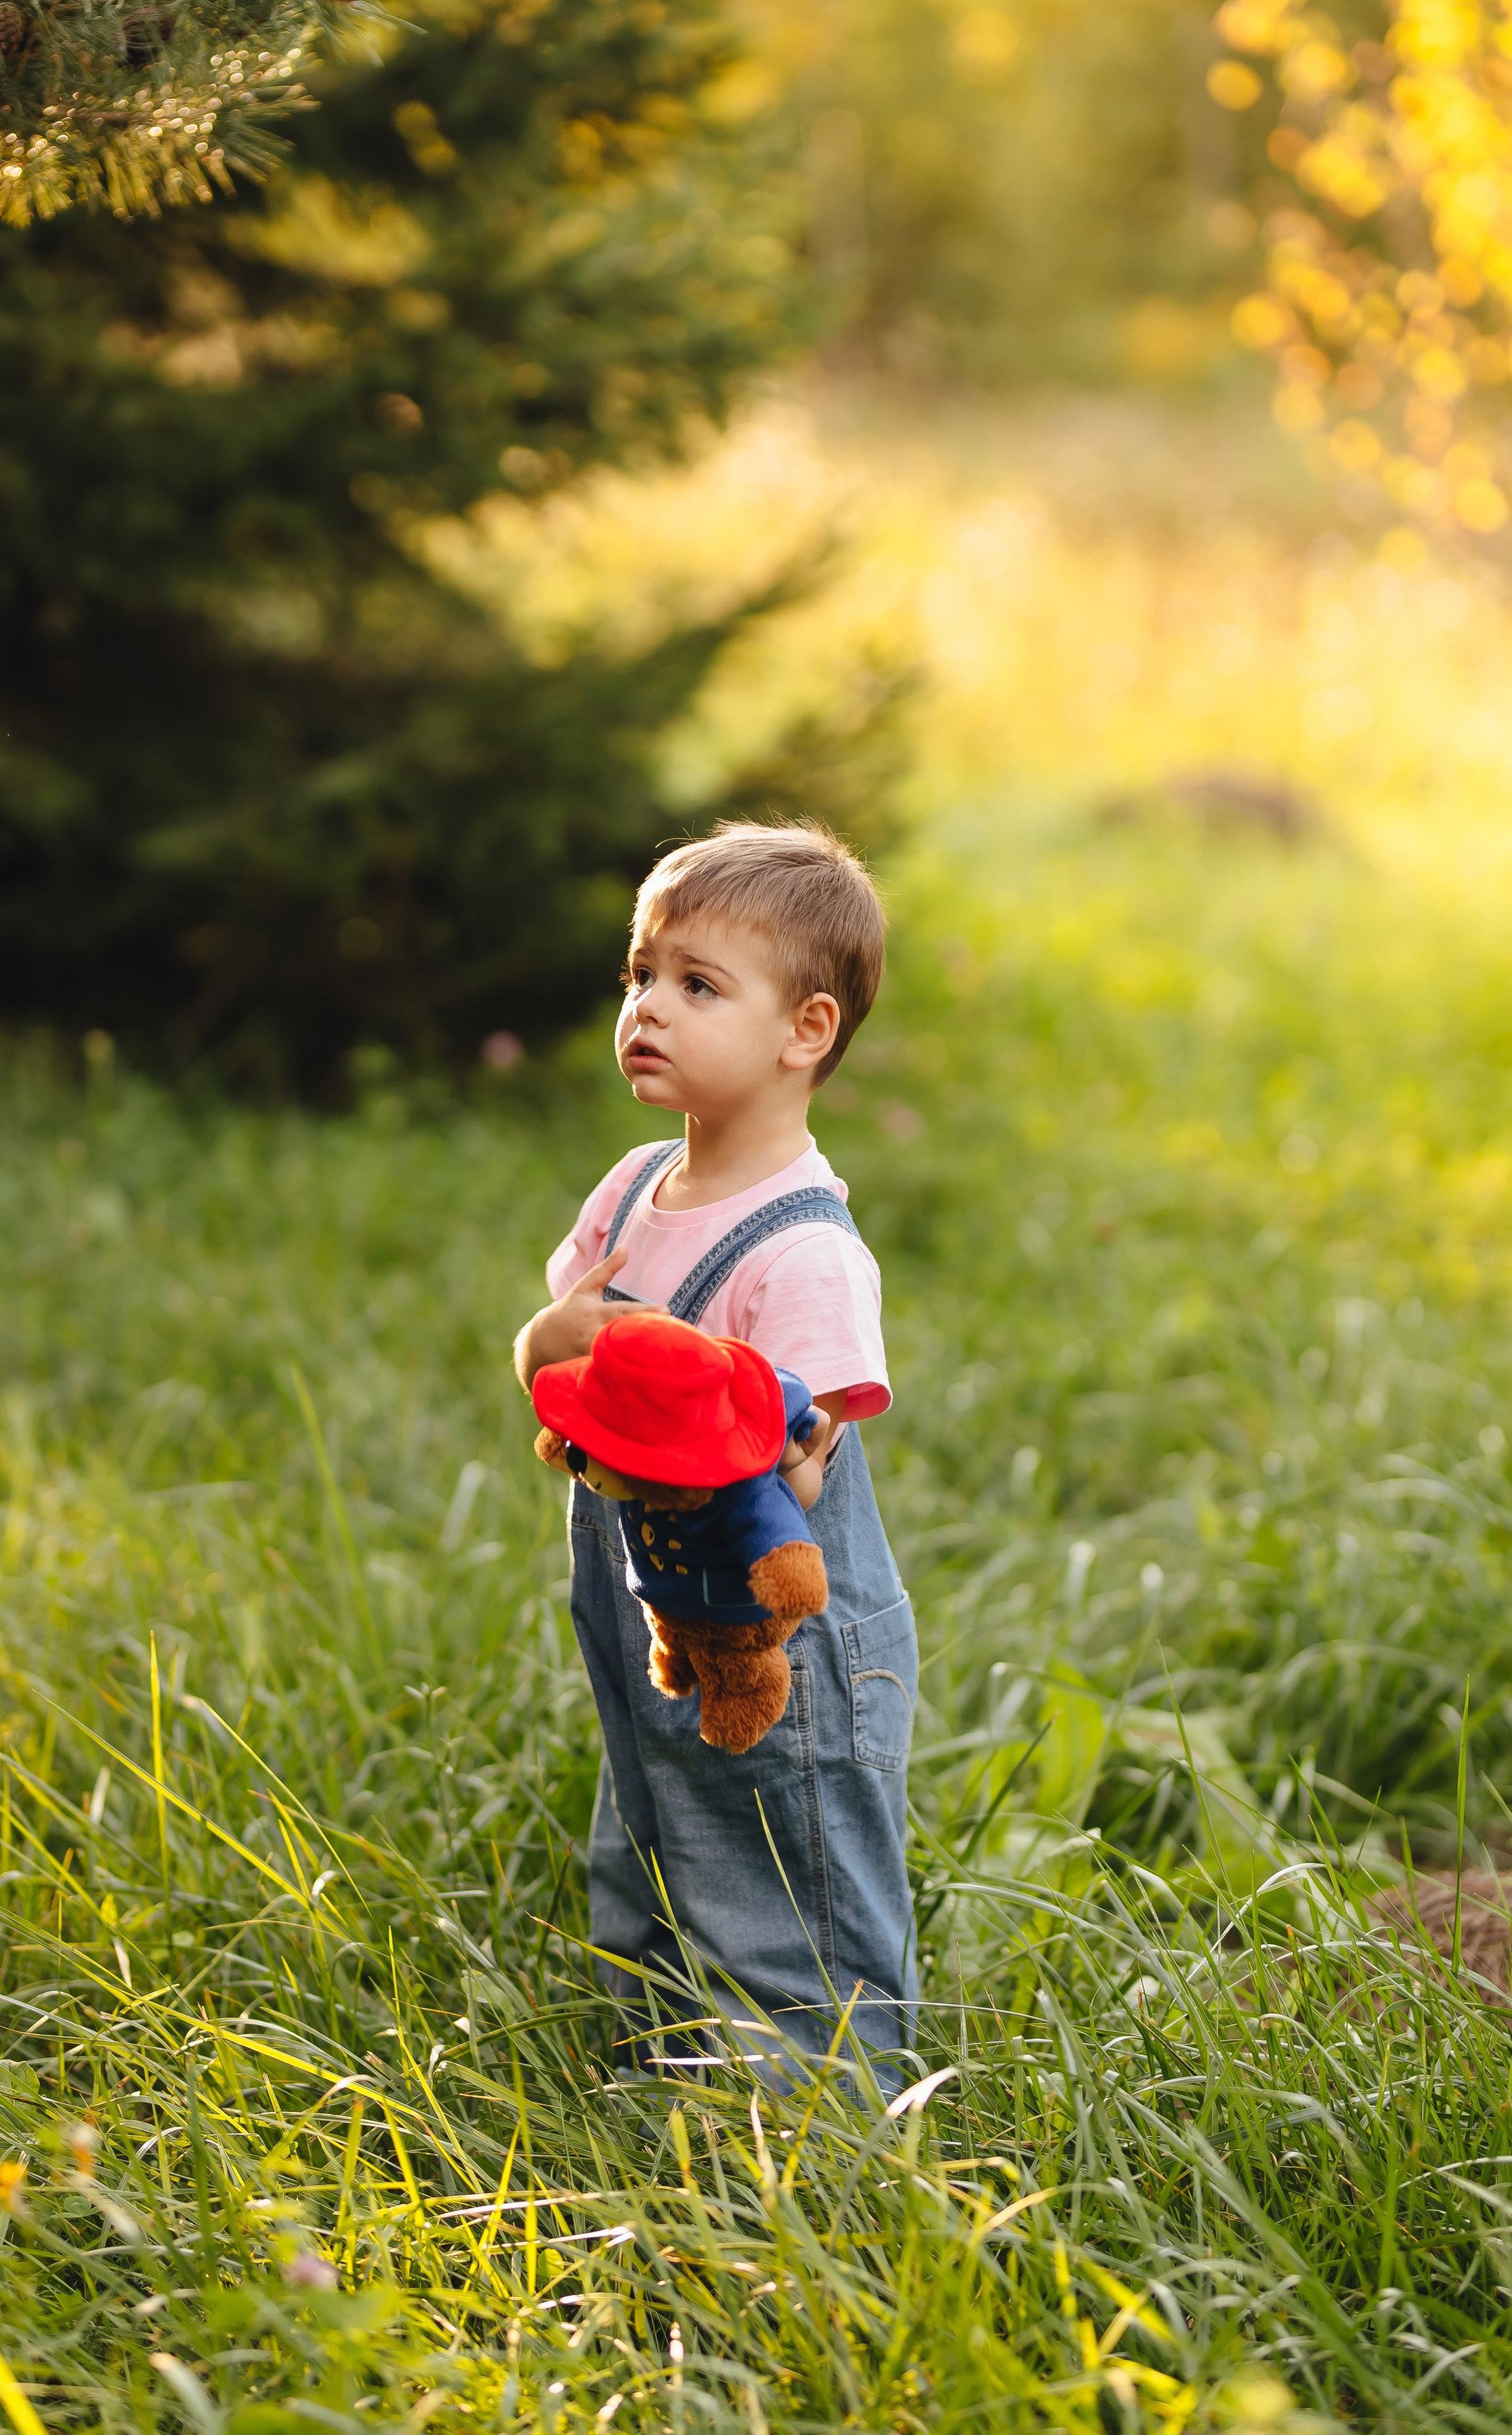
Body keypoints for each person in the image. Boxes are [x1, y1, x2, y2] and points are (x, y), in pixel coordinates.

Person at [511, 819, 918, 2090]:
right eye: (642, 975)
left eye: (698, 986)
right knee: (651, 1816)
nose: (649, 1007)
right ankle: (659, 2073)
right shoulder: (636, 1188)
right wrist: (550, 1344)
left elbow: (795, 1466)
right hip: (642, 1591)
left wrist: (677, 1387)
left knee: (788, 1855)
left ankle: (825, 2123)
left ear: (805, 1031)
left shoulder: (805, 1251)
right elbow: (557, 1352)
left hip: (772, 1618)